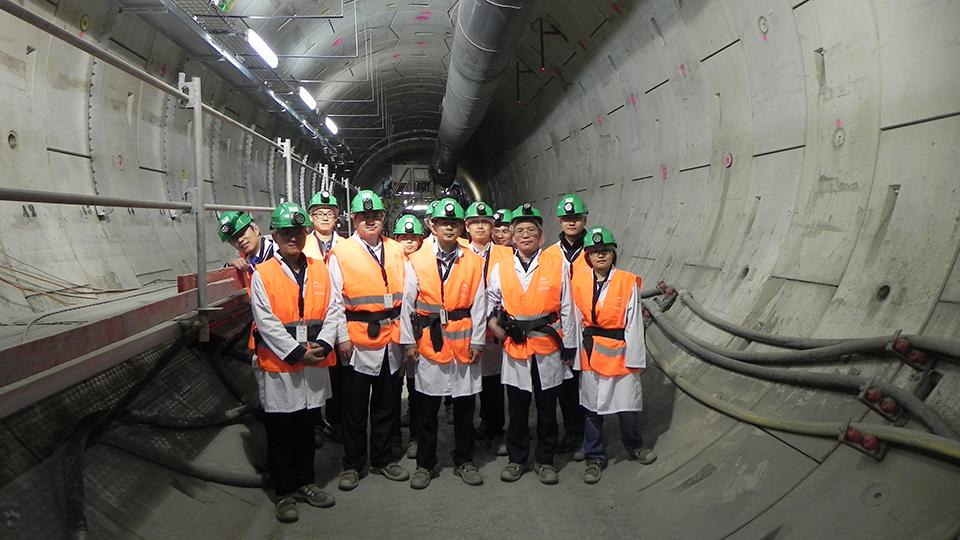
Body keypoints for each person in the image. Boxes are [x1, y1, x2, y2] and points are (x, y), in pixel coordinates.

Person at [249, 202, 341, 522]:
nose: (293, 238)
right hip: (280, 364)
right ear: (275, 235)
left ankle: (307, 482)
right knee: (280, 431)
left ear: (306, 234)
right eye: (286, 232)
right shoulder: (263, 273)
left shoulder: (320, 268)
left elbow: (334, 309)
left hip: (314, 358)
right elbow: (266, 321)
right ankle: (284, 492)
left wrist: (325, 343)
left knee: (306, 427)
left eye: (298, 232)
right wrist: (296, 352)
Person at [486, 203, 576, 485]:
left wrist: (569, 346)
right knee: (517, 406)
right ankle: (516, 459)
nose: (525, 236)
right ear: (512, 237)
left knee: (548, 406)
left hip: (547, 346)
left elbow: (568, 307)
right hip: (516, 346)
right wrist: (493, 325)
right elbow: (489, 301)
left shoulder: (556, 264)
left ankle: (545, 460)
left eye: (531, 231)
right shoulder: (502, 267)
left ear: (541, 236)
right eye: (520, 231)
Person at [400, 198, 487, 489]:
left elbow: (480, 302)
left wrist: (478, 341)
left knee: (464, 408)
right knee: (426, 408)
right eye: (442, 223)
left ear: (461, 226)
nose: (448, 227)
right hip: (429, 344)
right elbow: (407, 304)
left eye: (454, 223)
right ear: (432, 226)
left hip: (462, 345)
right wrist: (408, 341)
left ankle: (464, 459)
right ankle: (425, 463)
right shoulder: (418, 259)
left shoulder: (473, 261)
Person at [327, 190, 410, 490]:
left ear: (383, 219)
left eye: (375, 216)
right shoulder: (342, 253)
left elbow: (409, 298)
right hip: (357, 342)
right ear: (353, 219)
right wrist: (341, 338)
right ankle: (353, 464)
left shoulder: (397, 250)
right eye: (364, 217)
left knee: (387, 404)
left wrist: (407, 338)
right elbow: (334, 300)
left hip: (391, 339)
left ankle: (383, 458)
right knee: (354, 408)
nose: (370, 220)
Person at [572, 226, 657, 484]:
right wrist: (573, 354)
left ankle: (634, 445)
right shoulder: (577, 282)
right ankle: (594, 456)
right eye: (595, 251)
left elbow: (633, 321)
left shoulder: (626, 281)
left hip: (620, 352)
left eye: (605, 251)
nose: (600, 256)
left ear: (613, 253)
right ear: (587, 255)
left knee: (627, 405)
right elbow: (574, 320)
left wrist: (635, 359)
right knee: (591, 409)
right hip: (590, 352)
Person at [544, 194, 590, 461]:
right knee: (567, 384)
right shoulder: (550, 254)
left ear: (584, 219)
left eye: (576, 218)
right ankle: (573, 431)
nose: (571, 222)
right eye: (567, 218)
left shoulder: (596, 250)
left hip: (589, 325)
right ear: (560, 221)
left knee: (589, 384)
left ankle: (590, 435)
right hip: (561, 329)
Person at [465, 201, 511, 456]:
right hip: (466, 328)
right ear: (467, 227)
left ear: (493, 226)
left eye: (485, 222)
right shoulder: (459, 252)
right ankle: (467, 429)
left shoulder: (507, 254)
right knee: (467, 382)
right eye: (475, 223)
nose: (480, 226)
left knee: (493, 381)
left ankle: (494, 428)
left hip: (495, 327)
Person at [303, 190, 346, 444]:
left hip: (337, 317)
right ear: (311, 216)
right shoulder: (302, 243)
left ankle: (336, 421)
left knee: (337, 374)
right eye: (319, 213)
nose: (324, 217)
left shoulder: (346, 246)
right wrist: (240, 261)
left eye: (329, 213)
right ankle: (314, 425)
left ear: (337, 216)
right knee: (311, 374)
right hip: (310, 318)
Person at [392, 213, 427, 459]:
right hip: (390, 333)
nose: (408, 242)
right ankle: (394, 437)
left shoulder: (423, 262)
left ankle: (415, 436)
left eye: (413, 237)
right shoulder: (388, 260)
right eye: (403, 237)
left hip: (416, 332)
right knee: (392, 388)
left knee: (416, 388)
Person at [218, 210, 276, 276]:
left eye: (242, 233)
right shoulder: (245, 260)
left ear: (255, 229)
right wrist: (230, 266)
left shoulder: (278, 253)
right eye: (234, 239)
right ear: (231, 244)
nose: (240, 240)